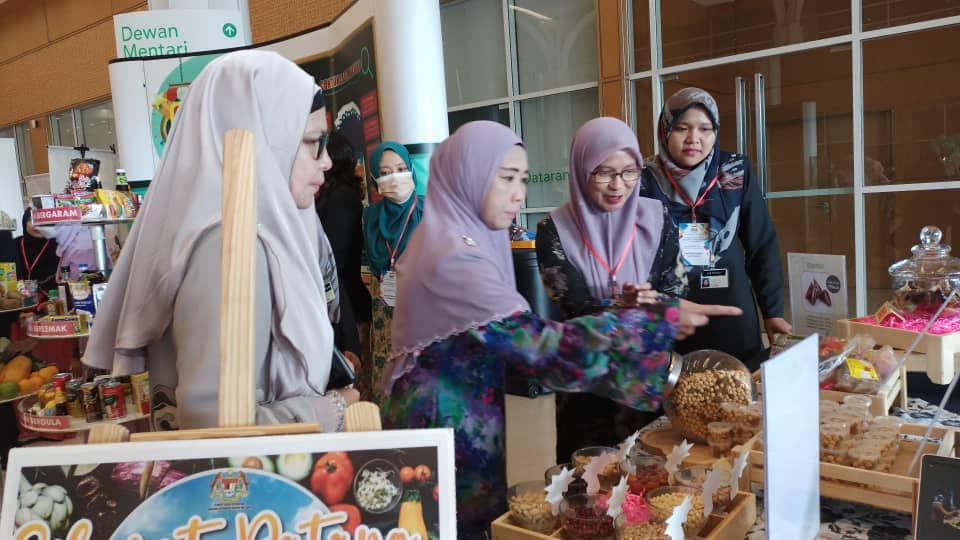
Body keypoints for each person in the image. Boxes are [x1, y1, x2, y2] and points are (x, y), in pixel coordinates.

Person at [381, 121, 741, 538]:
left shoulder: (458, 236)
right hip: (442, 424)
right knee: (444, 525)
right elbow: (543, 347)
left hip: (464, 411)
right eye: (506, 178)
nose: (519, 194)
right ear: (468, 176)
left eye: (523, 179)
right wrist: (657, 320)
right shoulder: (454, 257)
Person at [84, 51, 358, 432]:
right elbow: (212, 427)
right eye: (314, 142)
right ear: (266, 139)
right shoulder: (228, 246)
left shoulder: (259, 229)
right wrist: (334, 408)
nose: (326, 160)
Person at [537, 117, 686, 460]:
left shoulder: (658, 217)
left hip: (649, 378)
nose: (618, 185)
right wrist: (639, 308)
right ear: (581, 170)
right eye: (604, 173)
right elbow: (577, 307)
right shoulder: (553, 230)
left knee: (653, 473)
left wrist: (653, 302)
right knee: (589, 479)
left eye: (629, 172)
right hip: (588, 386)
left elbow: (677, 287)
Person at [639, 87, 791, 371]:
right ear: (665, 130)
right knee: (677, 389)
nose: (693, 138)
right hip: (673, 317)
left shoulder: (734, 171)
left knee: (739, 384)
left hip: (731, 309)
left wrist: (772, 311)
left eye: (705, 128)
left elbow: (761, 244)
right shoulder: (644, 181)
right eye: (681, 128)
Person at [362, 141, 424, 404]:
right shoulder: (370, 217)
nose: (395, 178)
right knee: (388, 379)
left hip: (425, 308)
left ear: (411, 169)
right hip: (386, 305)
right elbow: (368, 259)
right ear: (375, 178)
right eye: (385, 172)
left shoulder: (430, 210)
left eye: (400, 169)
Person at [316, 133, 371, 372]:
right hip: (340, 303)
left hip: (347, 307)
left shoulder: (341, 198)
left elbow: (336, 260)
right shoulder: (333, 194)